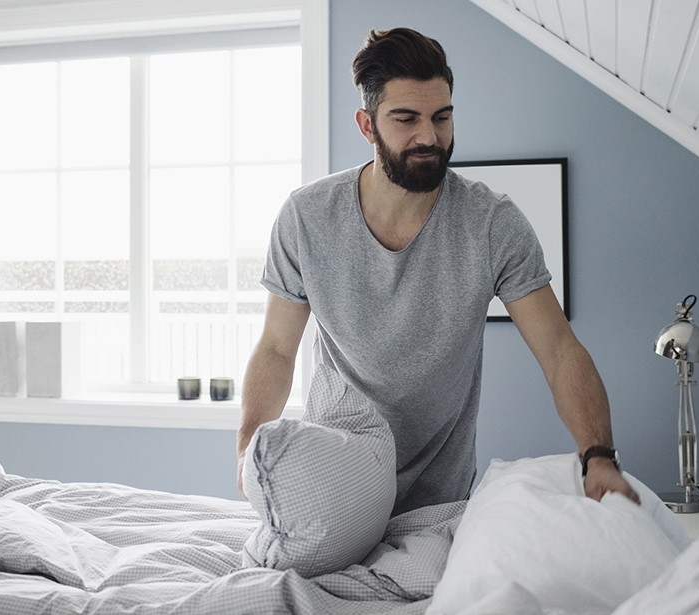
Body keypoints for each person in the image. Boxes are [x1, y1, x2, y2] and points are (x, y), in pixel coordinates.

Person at [237, 27, 639, 515]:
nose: (428, 136)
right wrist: (248, 450)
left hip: (439, 504)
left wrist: (598, 457)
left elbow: (559, 351)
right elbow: (277, 349)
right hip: (335, 486)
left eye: (441, 117)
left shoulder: (492, 223)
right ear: (367, 126)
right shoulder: (306, 217)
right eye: (406, 119)